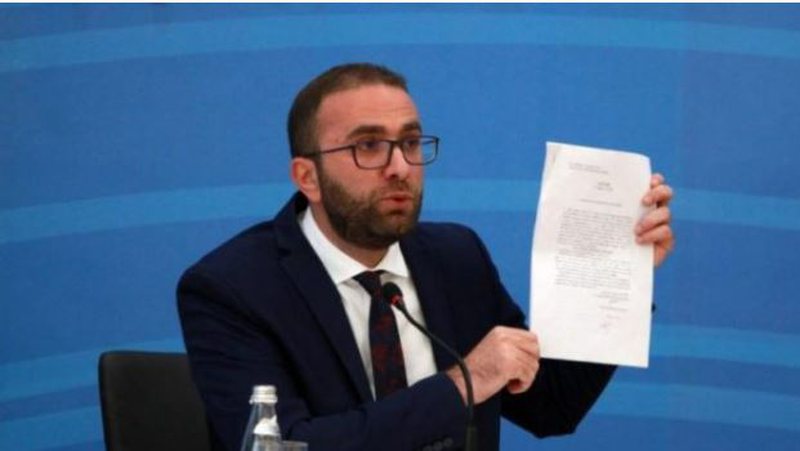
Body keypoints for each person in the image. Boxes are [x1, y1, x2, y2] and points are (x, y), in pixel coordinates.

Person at [177, 63, 675, 451]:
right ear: (307, 177)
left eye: (411, 143)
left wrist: (619, 272)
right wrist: (463, 383)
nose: (400, 167)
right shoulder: (233, 288)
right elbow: (285, 445)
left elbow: (551, 407)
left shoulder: (456, 259)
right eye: (369, 146)